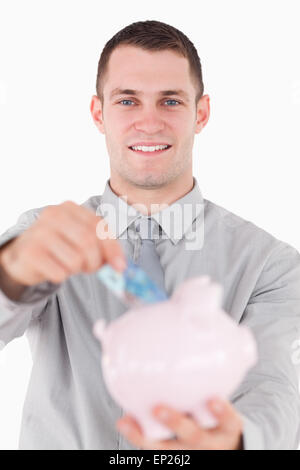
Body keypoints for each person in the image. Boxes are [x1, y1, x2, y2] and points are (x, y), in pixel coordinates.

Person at [0, 19, 300, 451]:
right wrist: (13, 268)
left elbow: (274, 389)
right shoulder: (41, 236)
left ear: (201, 113)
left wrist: (237, 441)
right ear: (98, 114)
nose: (149, 122)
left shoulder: (268, 264)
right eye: (127, 100)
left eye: (171, 101)